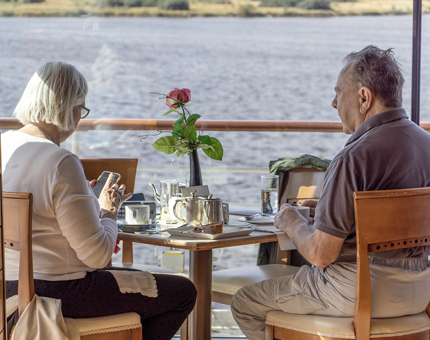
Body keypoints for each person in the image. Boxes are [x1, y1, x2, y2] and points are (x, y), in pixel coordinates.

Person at [231, 45, 430, 340]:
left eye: (339, 92)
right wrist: (328, 209)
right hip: (419, 291)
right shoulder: (425, 143)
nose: (333, 102)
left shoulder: (354, 157)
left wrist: (291, 221)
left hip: (355, 292)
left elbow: (321, 255)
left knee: (245, 302)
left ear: (364, 98)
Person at [2, 60, 197, 340]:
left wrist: (87, 203)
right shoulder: (60, 161)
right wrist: (108, 211)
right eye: (82, 107)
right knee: (183, 292)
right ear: (70, 107)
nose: (81, 116)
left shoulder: (4, 145)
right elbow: (97, 257)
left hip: (10, 289)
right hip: (62, 292)